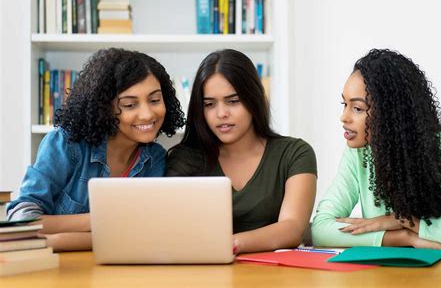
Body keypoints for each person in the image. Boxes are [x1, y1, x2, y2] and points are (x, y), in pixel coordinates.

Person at [8, 48, 185, 251]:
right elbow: (22, 220)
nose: (147, 114)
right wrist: (98, 221)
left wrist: (55, 241)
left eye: (154, 100)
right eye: (129, 105)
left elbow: (141, 235)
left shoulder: (155, 158)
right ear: (104, 107)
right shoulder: (66, 143)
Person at [311, 49, 441, 250]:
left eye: (358, 108)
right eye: (344, 104)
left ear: (390, 114)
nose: (344, 117)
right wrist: (404, 238)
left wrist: (408, 221)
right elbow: (320, 229)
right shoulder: (358, 152)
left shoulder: (438, 146)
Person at [167, 49, 317, 254]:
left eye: (233, 101)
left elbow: (292, 229)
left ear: (254, 98)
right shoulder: (185, 159)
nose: (221, 114)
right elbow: (173, 230)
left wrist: (231, 244)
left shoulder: (295, 153)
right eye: (209, 104)